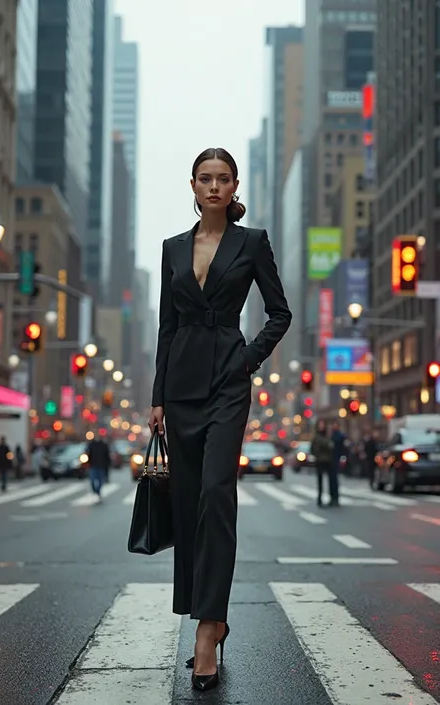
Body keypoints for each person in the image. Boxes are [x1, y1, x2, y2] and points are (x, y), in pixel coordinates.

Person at [148, 147, 292, 691]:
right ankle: (205, 611)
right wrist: (157, 397)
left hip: (228, 385)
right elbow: (166, 326)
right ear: (193, 184)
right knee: (188, 507)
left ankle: (209, 629)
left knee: (216, 496)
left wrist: (247, 358)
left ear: (234, 187)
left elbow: (281, 312)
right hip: (180, 387)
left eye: (223, 178)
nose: (213, 186)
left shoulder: (251, 243)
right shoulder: (172, 248)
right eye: (205, 178)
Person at [311, 419, 336, 507]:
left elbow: (331, 446)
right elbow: (313, 449)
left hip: (328, 460)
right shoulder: (317, 437)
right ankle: (319, 499)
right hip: (320, 461)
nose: (321, 426)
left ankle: (332, 498)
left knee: (331, 480)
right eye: (320, 425)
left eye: (323, 424)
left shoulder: (327, 436)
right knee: (320, 481)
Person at [86, 435, 111, 501]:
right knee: (92, 480)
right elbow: (88, 454)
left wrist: (107, 465)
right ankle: (95, 490)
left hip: (101, 466)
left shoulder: (104, 445)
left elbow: (107, 456)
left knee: (100, 481)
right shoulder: (91, 445)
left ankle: (98, 491)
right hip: (93, 465)